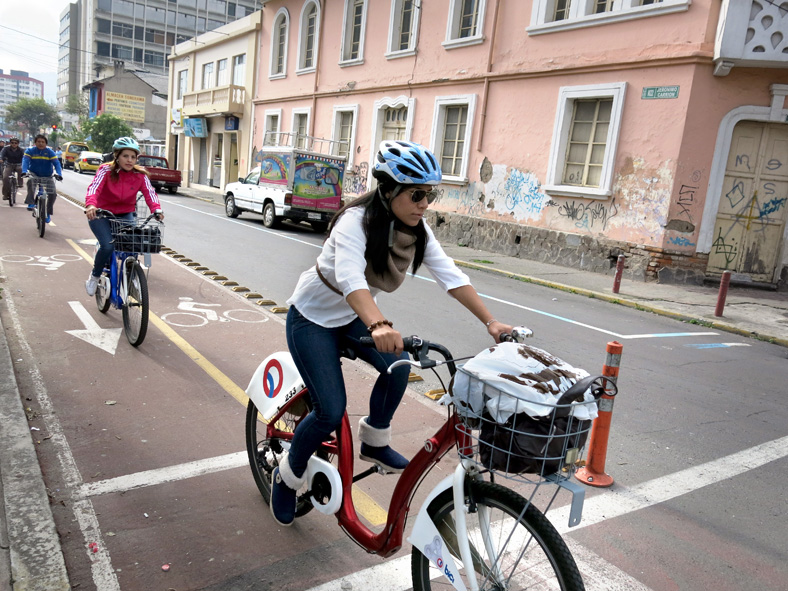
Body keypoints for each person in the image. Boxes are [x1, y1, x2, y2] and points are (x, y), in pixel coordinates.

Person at [270, 140, 513, 526]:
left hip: (350, 319)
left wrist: (491, 322)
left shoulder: (416, 230)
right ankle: (286, 477)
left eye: (429, 195)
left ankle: (374, 441)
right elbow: (351, 278)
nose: (424, 204)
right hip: (312, 319)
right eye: (417, 194)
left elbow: (450, 276)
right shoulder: (355, 222)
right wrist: (379, 323)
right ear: (388, 190)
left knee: (398, 364)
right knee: (329, 411)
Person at [84, 137, 164, 296]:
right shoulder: (105, 170)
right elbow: (94, 188)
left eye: (133, 157)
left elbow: (150, 193)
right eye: (125, 156)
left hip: (125, 214)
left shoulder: (140, 175)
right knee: (108, 246)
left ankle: (131, 276)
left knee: (133, 245)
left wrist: (156, 209)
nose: (129, 160)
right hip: (101, 213)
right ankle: (94, 277)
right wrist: (91, 205)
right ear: (117, 156)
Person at [22, 134, 63, 222]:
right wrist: (24, 171)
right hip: (34, 174)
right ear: (35, 143)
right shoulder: (30, 151)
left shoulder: (50, 152)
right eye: (38, 142)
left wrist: (59, 174)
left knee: (53, 194)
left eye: (43, 142)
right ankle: (31, 202)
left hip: (47, 175)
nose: (41, 144)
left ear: (46, 143)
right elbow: (25, 161)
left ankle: (47, 213)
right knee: (31, 181)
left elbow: (56, 164)